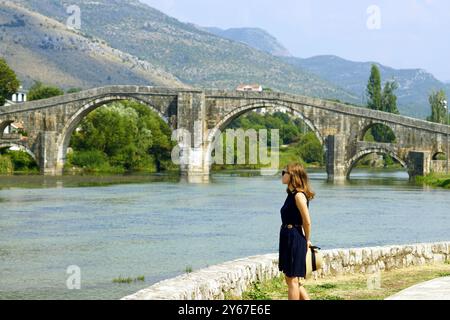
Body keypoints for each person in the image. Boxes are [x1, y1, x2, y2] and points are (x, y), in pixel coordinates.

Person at [279, 162, 315, 300]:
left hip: (294, 238)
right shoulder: (291, 194)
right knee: (291, 279)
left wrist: (307, 240)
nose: (282, 175)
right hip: (288, 236)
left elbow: (307, 221)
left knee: (293, 280)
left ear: (292, 176)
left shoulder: (299, 196)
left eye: (284, 173)